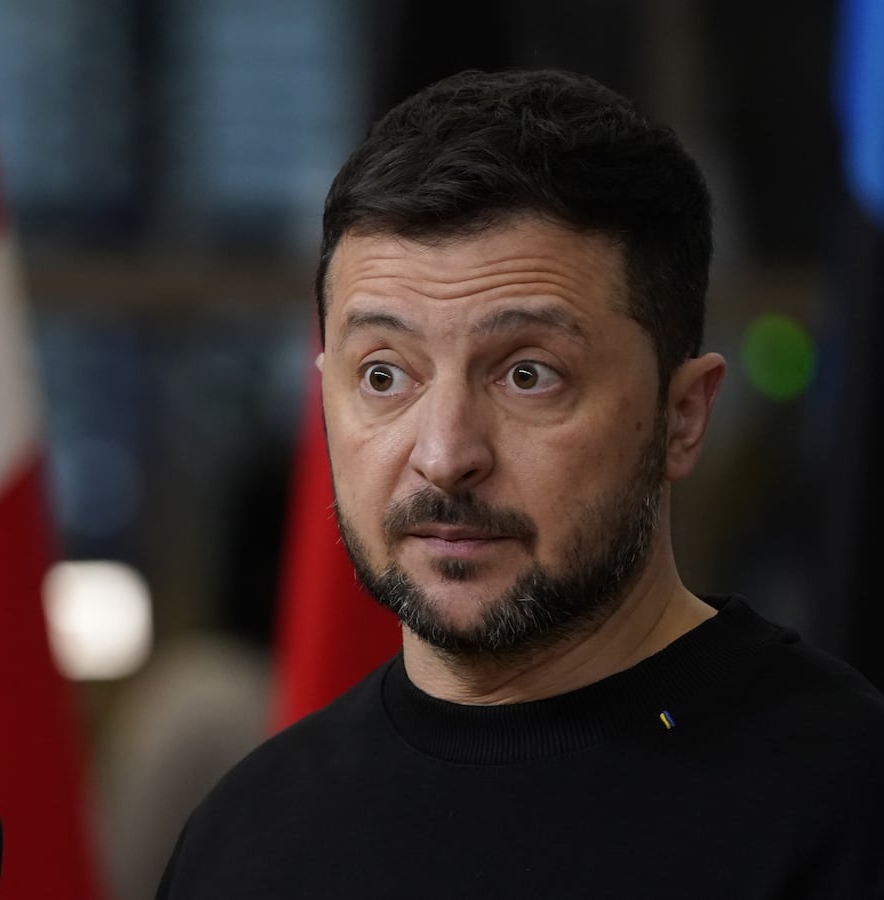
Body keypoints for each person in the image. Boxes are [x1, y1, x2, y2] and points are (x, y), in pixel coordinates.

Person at [155, 68, 884, 899]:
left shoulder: (847, 802)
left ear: (683, 415)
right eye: (385, 376)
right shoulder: (246, 833)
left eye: (528, 375)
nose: (445, 453)